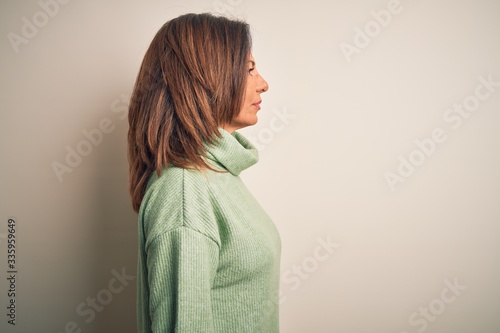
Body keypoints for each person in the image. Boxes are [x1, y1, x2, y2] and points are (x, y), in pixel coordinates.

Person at [127, 13, 281, 333]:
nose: (263, 84)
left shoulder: (216, 174)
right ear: (207, 78)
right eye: (249, 69)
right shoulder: (184, 192)